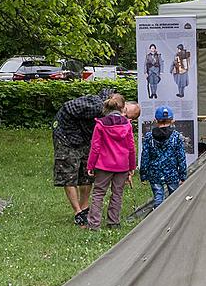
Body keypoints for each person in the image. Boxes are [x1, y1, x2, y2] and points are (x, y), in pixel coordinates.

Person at [53, 88, 118, 225]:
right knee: (68, 172)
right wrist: (74, 131)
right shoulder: (96, 105)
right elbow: (67, 108)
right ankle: (77, 212)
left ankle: (84, 208)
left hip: (83, 135)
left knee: (87, 171)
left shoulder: (110, 113)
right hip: (65, 133)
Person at [86, 95, 137, 230]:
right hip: (122, 165)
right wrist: (132, 166)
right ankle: (113, 222)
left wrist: (90, 165)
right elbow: (131, 147)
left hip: (104, 165)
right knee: (117, 193)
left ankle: (94, 224)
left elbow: (95, 147)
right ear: (122, 107)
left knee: (98, 193)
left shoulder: (100, 124)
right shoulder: (127, 124)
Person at [139, 106, 187, 207]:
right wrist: (182, 175)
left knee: (158, 197)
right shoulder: (176, 136)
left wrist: (143, 175)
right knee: (174, 198)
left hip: (155, 173)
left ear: (156, 120)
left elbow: (145, 156)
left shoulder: (149, 136)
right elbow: (181, 157)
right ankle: (173, 218)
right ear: (172, 120)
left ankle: (157, 219)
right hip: (172, 173)